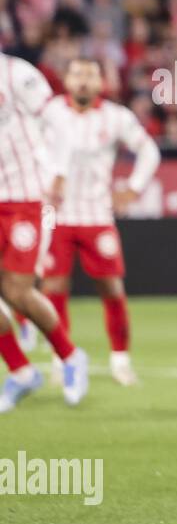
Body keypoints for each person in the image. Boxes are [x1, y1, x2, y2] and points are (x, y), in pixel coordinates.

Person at [42, 58, 161, 386]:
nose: (83, 81)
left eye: (90, 75)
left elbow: (149, 151)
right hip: (57, 214)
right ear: (66, 80)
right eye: (77, 73)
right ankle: (60, 358)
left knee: (111, 287)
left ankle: (120, 360)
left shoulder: (116, 117)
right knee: (53, 288)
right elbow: (27, 145)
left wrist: (133, 190)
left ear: (101, 82)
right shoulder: (49, 112)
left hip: (97, 214)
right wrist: (46, 177)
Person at [0, 51, 89, 411]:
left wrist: (59, 173)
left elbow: (61, 122)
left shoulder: (17, 74)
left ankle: (70, 356)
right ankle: (21, 372)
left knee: (17, 291)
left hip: (23, 199)